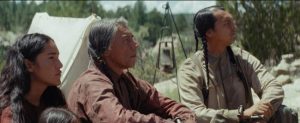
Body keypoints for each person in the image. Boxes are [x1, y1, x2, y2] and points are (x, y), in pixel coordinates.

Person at [67, 18, 196, 123]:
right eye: (126, 40)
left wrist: (185, 116)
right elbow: (118, 119)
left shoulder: (128, 80)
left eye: (133, 38)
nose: (135, 44)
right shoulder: (92, 83)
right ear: (106, 49)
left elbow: (163, 103)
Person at [178, 6, 284, 123]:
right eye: (227, 24)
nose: (234, 27)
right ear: (209, 32)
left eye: (233, 22)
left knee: (285, 113)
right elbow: (194, 113)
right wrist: (241, 114)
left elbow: (273, 86)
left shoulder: (240, 57)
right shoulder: (190, 70)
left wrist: (262, 108)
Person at [0, 33, 66, 123]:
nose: (60, 65)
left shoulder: (53, 100)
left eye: (57, 58)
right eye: (51, 58)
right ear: (29, 65)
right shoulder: (10, 113)